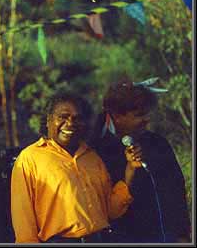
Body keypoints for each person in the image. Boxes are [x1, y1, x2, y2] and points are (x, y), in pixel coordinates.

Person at [10, 92, 143, 243]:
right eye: (63, 117)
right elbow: (23, 221)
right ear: (48, 120)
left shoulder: (92, 158)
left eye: (77, 118)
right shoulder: (29, 159)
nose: (70, 123)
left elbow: (110, 211)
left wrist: (131, 170)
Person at [90, 77, 191, 243]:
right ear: (117, 116)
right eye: (139, 115)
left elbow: (176, 189)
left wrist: (182, 233)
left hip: (169, 237)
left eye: (146, 113)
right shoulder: (98, 152)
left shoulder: (158, 144)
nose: (146, 120)